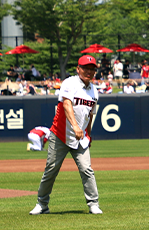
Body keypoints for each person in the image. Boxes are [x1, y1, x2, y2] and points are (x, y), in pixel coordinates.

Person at [30, 55, 102, 215]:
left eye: (92, 69)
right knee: (51, 169)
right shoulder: (70, 83)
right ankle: (42, 204)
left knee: (86, 170)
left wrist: (88, 135)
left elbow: (89, 115)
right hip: (60, 134)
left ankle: (93, 204)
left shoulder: (94, 91)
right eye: (86, 68)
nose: (89, 71)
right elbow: (66, 104)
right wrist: (76, 127)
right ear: (78, 69)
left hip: (81, 137)